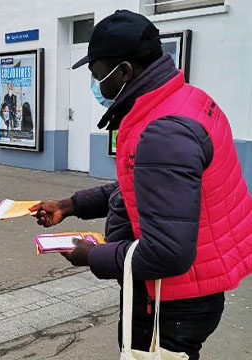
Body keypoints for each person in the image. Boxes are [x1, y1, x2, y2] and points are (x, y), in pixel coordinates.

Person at [30, 10, 252, 360]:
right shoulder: (185, 101)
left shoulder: (163, 131)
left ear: (124, 72)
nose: (95, 85)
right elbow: (138, 187)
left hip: (171, 302)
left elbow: (168, 252)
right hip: (193, 291)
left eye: (97, 75)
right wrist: (70, 205)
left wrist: (93, 256)